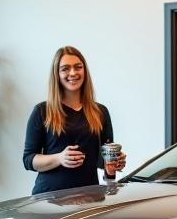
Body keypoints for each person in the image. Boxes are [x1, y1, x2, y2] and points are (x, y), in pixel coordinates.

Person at [23, 45, 125, 195]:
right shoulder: (42, 111)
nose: (73, 73)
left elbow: (104, 162)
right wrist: (59, 158)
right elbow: (28, 159)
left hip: (90, 197)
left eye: (78, 67)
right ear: (57, 74)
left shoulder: (100, 112)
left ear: (84, 71)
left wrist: (114, 163)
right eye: (65, 68)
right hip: (49, 200)